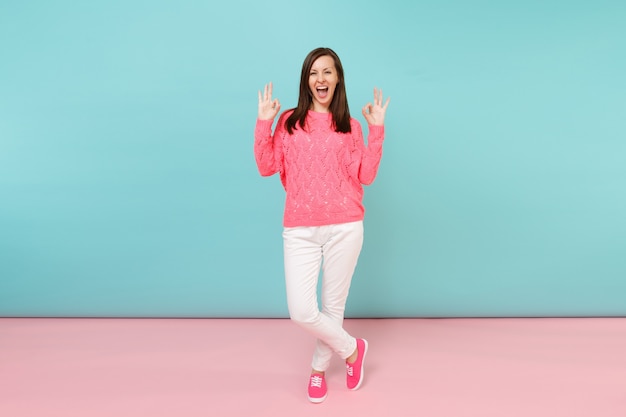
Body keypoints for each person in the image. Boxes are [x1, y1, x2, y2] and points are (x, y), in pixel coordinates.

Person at [254, 47, 389, 403]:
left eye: (327, 72)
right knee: (302, 310)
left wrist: (376, 131)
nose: (321, 79)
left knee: (333, 307)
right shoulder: (289, 123)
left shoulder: (351, 127)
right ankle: (352, 350)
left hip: (345, 226)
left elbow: (367, 176)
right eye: (314, 73)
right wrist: (263, 122)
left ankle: (317, 371)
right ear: (306, 80)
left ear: (338, 78)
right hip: (300, 227)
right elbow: (266, 166)